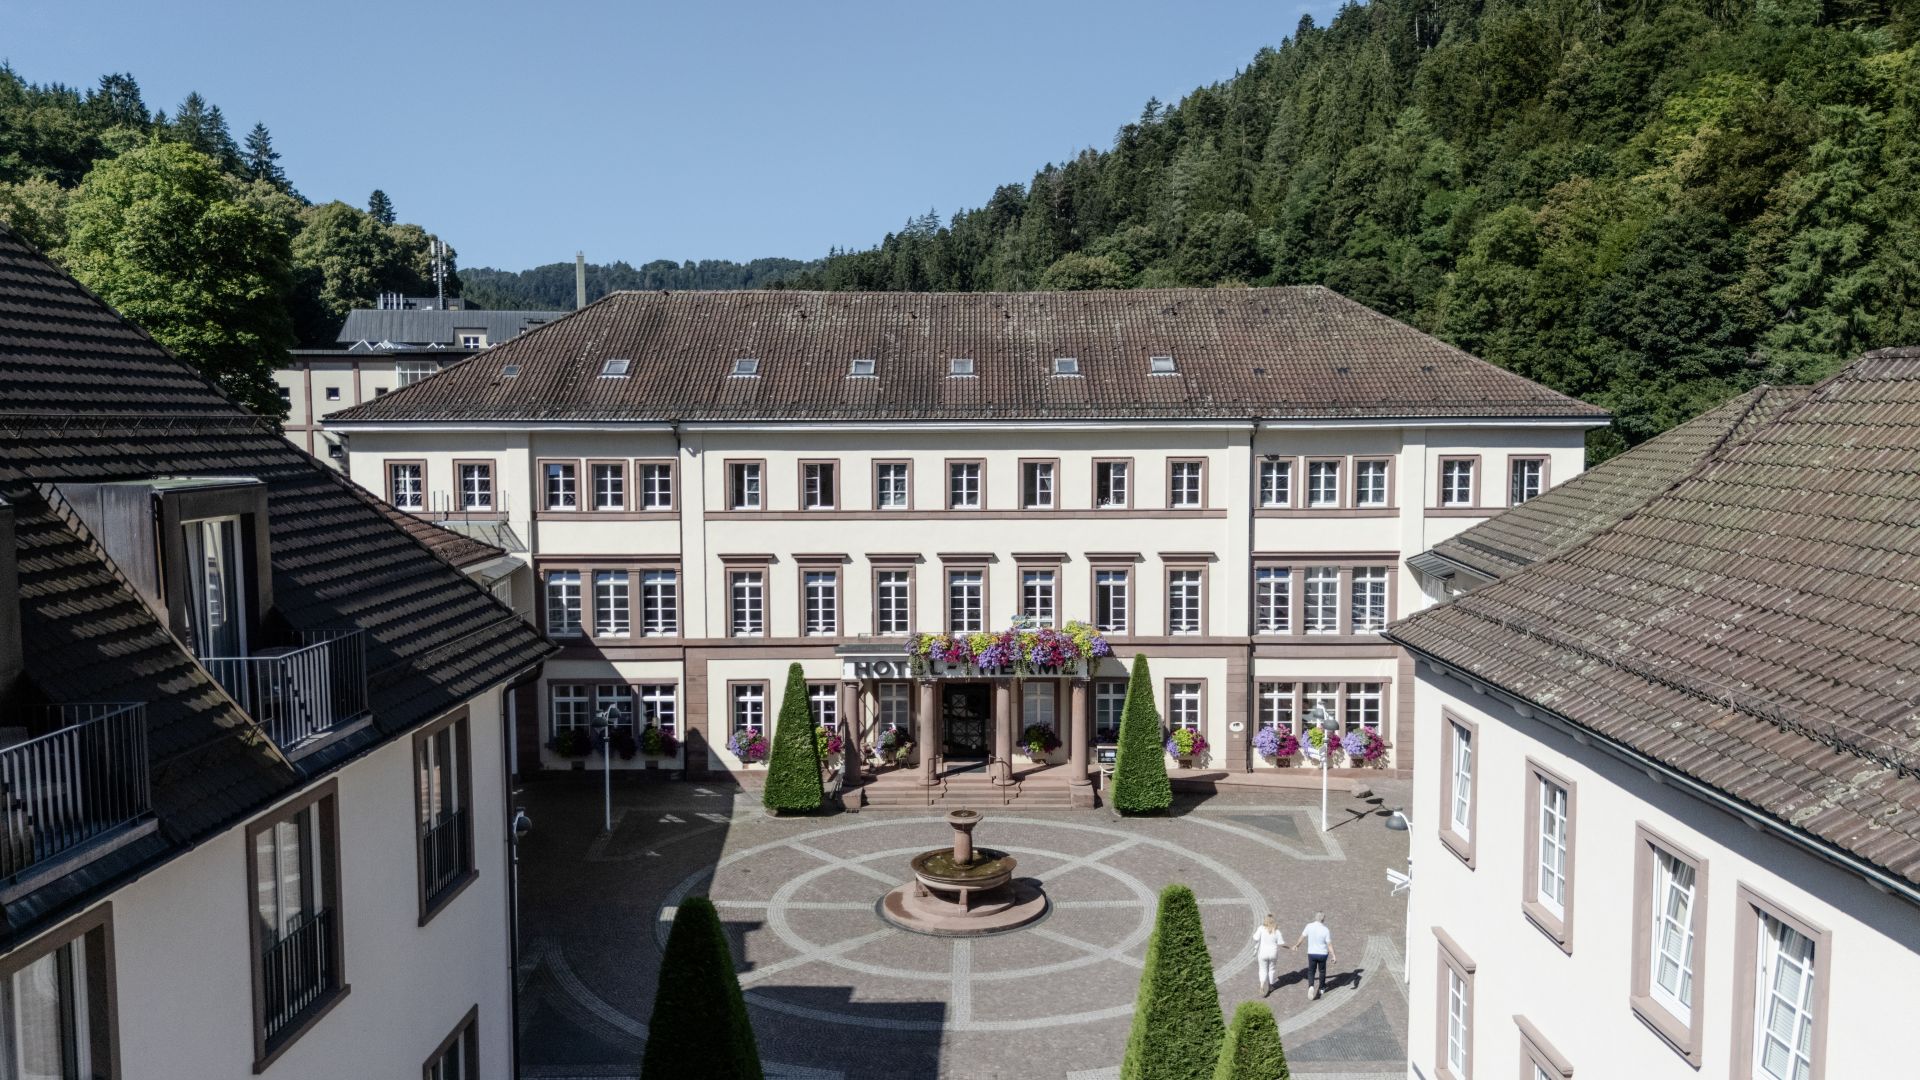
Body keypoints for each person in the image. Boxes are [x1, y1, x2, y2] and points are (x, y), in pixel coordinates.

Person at [1291, 912, 1336, 999]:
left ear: (1315, 918)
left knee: (1311, 971)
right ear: (1323, 919)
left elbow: (1302, 937)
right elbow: (1329, 945)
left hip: (1312, 953)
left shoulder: (1309, 926)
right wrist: (1333, 955)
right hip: (1322, 954)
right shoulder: (1325, 930)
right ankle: (1322, 988)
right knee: (1322, 971)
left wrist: (1296, 945)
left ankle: (1311, 986)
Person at [1251, 915, 1283, 995]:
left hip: (1262, 953)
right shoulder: (1277, 931)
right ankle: (1270, 986)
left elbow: (1255, 938)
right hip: (1273, 953)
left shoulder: (1261, 928)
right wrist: (1290, 947)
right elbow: (1281, 943)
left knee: (1262, 969)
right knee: (1271, 970)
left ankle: (1262, 986)